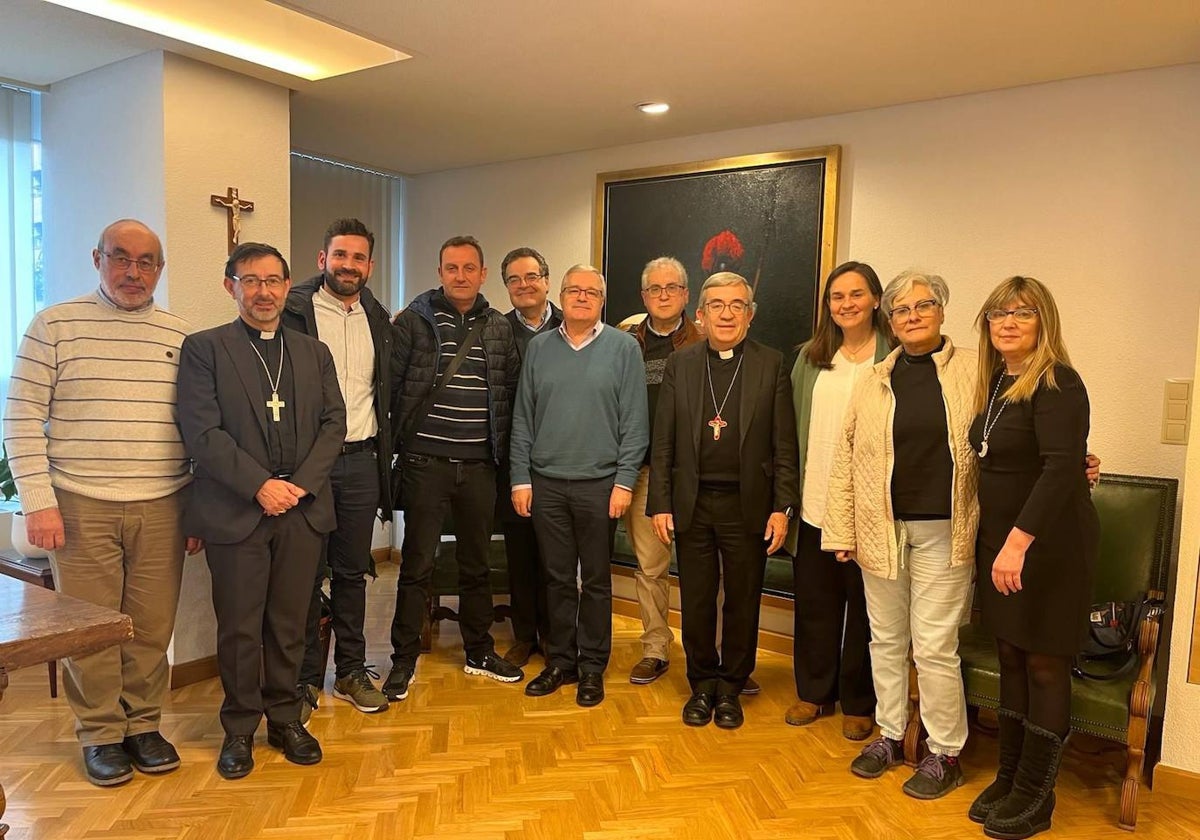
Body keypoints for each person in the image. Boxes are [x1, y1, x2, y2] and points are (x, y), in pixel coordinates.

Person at [2, 219, 198, 787]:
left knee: (152, 626)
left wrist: (198, 509)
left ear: (159, 269)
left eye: (146, 262)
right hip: (80, 502)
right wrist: (38, 501)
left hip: (165, 502)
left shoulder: (182, 336)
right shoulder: (55, 325)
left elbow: (197, 427)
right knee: (91, 628)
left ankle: (143, 725)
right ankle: (101, 734)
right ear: (97, 259)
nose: (132, 272)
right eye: (121, 258)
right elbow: (20, 416)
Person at [178, 242, 346, 780]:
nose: (263, 292)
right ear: (231, 287)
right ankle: (239, 729)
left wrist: (296, 487)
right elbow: (202, 433)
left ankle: (285, 718)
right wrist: (259, 486)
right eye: (250, 281)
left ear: (287, 285)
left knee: (290, 623)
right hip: (236, 512)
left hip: (300, 511)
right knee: (240, 628)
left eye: (273, 280)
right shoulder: (204, 349)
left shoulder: (312, 352)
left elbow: (333, 425)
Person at [822, 271, 977, 799]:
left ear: (941, 311)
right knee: (885, 638)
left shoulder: (974, 370)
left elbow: (1013, 429)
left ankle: (944, 750)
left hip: (944, 531)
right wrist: (842, 529)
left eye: (923, 305)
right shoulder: (874, 379)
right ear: (891, 320)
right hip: (880, 530)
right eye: (902, 309)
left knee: (934, 645)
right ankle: (890, 733)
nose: (912, 316)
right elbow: (845, 459)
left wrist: (1078, 462)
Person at [966, 277, 1098, 839]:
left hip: (1048, 547)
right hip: (1002, 543)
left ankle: (1036, 798)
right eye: (998, 313)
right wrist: (999, 545)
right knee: (1011, 657)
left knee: (1044, 664)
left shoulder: (1059, 382)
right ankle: (1011, 777)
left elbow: (1059, 468)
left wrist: (1018, 544)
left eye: (1022, 312)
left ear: (1044, 321)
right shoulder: (997, 382)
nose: (1009, 322)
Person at [647, 272, 799, 729]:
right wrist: (660, 502)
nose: (727, 313)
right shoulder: (683, 363)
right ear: (702, 314)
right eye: (717, 305)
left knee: (742, 599)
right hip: (693, 502)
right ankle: (701, 684)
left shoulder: (771, 364)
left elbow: (784, 445)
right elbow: (664, 440)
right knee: (695, 599)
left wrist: (782, 506)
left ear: (750, 316)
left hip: (747, 504)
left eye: (737, 305)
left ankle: (731, 686)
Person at [384, 235, 524, 702]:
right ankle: (403, 659)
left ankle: (479, 651)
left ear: (483, 274)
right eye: (451, 268)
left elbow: (510, 393)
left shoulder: (499, 327)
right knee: (417, 565)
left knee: (475, 565)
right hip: (427, 465)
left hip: (481, 467)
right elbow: (391, 385)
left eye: (469, 268)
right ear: (439, 272)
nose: (460, 276)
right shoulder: (414, 322)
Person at [510, 264, 648, 707]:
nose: (582, 297)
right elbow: (522, 419)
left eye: (592, 291)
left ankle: (592, 667)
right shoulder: (538, 348)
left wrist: (625, 482)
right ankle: (560, 662)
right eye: (574, 290)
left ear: (602, 300)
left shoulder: (624, 348)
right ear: (561, 296)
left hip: (600, 484)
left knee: (596, 579)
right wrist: (519, 477)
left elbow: (635, 422)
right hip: (546, 483)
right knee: (555, 578)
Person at [285, 218, 398, 718]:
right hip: (308, 466)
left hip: (361, 462)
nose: (348, 265)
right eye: (340, 255)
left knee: (353, 573)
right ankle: (305, 679)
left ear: (369, 266)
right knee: (306, 575)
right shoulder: (294, 313)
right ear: (322, 259)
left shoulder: (379, 317)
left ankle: (351, 671)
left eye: (358, 258)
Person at [786, 261, 892, 740]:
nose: (846, 304)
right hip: (815, 502)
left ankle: (859, 699)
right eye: (836, 297)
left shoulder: (894, 356)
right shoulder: (811, 358)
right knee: (814, 603)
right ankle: (813, 692)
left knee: (866, 609)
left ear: (874, 299)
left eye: (856, 294)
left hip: (871, 510)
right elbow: (789, 430)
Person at [620, 256, 703, 685]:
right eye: (655, 289)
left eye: (672, 288)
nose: (664, 295)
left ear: (686, 295)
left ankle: (709, 654)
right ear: (644, 296)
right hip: (641, 472)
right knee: (651, 568)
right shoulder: (623, 342)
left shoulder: (703, 342)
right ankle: (655, 648)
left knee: (702, 569)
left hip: (692, 475)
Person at [497, 246, 563, 667]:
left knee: (557, 556)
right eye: (514, 280)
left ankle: (557, 636)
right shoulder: (496, 330)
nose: (524, 285)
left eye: (531, 276)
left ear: (546, 280)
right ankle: (524, 636)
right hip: (512, 458)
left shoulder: (574, 325)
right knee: (520, 553)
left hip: (562, 459)